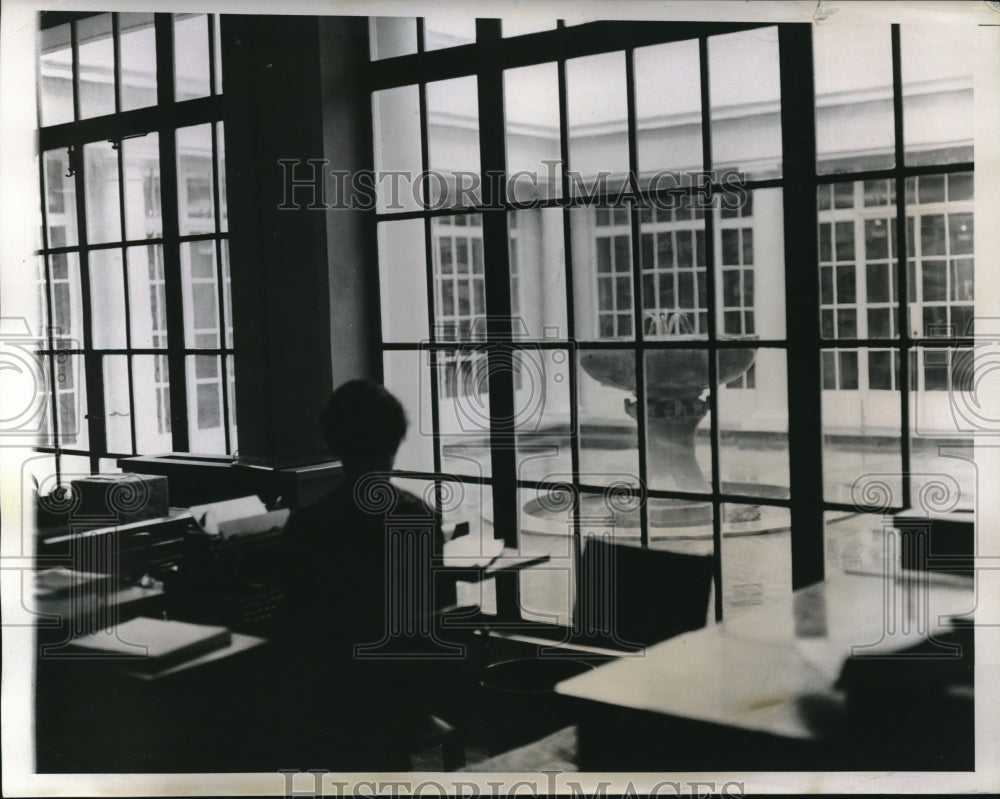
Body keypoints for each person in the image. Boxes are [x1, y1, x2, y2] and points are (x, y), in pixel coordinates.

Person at [276, 379, 457, 770]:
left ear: (333, 442)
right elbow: (440, 609)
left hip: (337, 697)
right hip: (402, 695)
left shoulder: (309, 524)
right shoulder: (419, 517)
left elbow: (296, 626)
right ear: (394, 444)